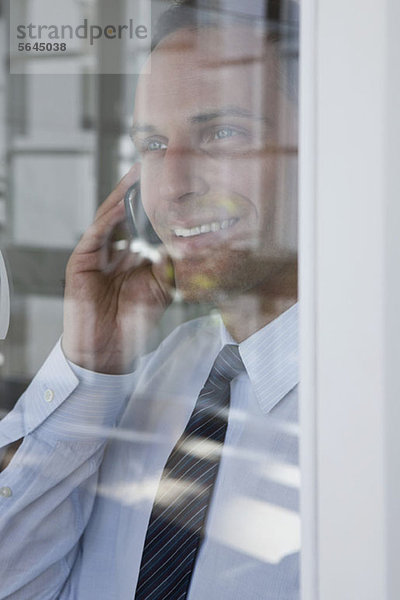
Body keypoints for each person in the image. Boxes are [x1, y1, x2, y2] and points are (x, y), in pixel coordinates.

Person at [0, 1, 299, 598]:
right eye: (154, 143)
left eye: (222, 132)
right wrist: (90, 366)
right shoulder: (170, 368)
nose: (174, 184)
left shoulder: (369, 408)